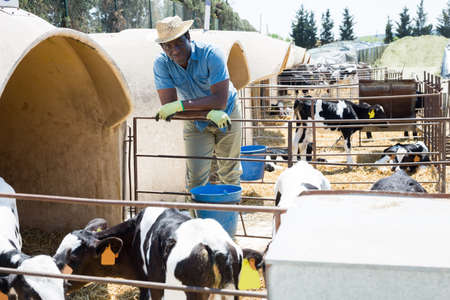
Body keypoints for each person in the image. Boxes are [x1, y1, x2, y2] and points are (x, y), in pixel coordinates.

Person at [153, 16, 242, 193]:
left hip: (227, 112)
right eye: (168, 46)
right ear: (162, 47)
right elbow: (169, 109)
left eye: (178, 42)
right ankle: (196, 219)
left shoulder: (211, 54)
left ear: (188, 37)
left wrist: (179, 106)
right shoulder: (162, 64)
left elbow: (220, 100)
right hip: (195, 120)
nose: (174, 50)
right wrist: (205, 114)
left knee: (229, 172)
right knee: (195, 178)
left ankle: (228, 219)